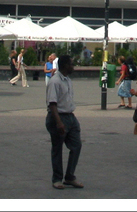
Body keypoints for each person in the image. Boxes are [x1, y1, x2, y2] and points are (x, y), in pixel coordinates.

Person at [45, 55, 83, 190]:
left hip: (70, 116)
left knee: (76, 145)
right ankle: (57, 178)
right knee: (57, 148)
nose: (73, 67)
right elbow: (52, 103)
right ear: (65, 65)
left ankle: (69, 176)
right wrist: (59, 122)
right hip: (58, 117)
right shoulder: (55, 81)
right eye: (71, 64)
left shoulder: (67, 80)